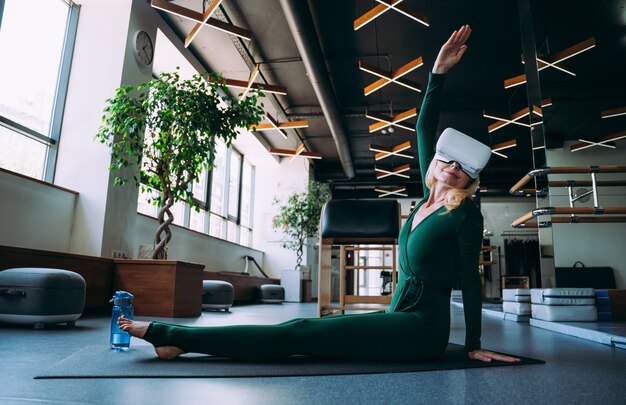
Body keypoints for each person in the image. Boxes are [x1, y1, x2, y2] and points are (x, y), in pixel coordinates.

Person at [119, 25, 520, 364]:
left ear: (470, 181)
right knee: (309, 332)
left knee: (300, 330)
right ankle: (176, 341)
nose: (453, 168)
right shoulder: (425, 199)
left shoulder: (464, 214)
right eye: (448, 160)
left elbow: (471, 279)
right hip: (399, 316)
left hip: (421, 330)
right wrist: (437, 72)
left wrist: (473, 345)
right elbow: (423, 131)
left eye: (464, 169)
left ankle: (167, 333)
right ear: (435, 163)